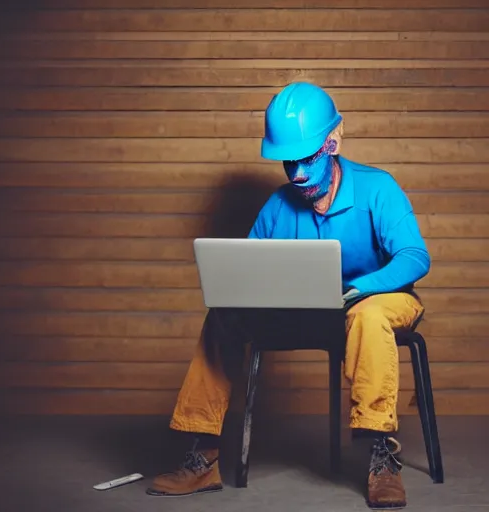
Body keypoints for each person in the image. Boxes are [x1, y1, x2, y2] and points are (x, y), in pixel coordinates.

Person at [146, 82, 430, 510]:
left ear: (333, 142)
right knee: (223, 317)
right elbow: (250, 269)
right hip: (308, 310)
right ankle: (202, 458)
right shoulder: (279, 207)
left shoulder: (378, 189)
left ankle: (382, 456)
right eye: (287, 163)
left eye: (306, 160)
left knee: (368, 317)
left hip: (380, 302)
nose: (296, 174)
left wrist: (360, 288)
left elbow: (415, 257)